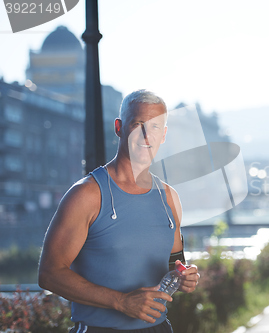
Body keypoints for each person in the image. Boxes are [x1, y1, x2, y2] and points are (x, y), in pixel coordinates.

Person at [38, 89, 200, 333]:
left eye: (155, 127)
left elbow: (174, 264)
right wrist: (120, 301)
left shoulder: (170, 198)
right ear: (119, 127)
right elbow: (49, 275)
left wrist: (184, 276)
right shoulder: (87, 195)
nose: (147, 135)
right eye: (138, 124)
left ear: (164, 134)